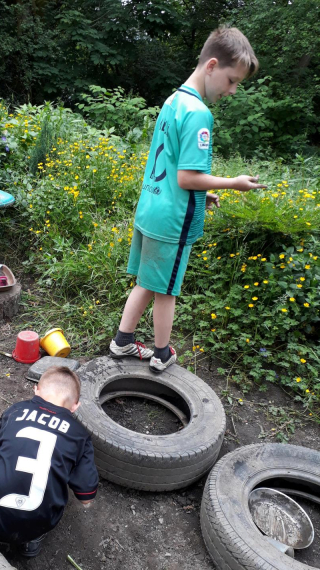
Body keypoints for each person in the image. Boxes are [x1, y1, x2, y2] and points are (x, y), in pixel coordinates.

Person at [109, 26, 267, 372]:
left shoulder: (173, 101)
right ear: (212, 65)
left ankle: (122, 341)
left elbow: (171, 167)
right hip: (172, 221)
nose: (233, 90)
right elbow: (186, 177)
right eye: (232, 80)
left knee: (148, 281)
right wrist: (232, 183)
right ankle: (162, 353)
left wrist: (202, 194)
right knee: (166, 289)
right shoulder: (199, 113)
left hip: (152, 208)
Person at [0, 366, 98, 557]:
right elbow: (86, 496)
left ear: (36, 390)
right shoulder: (80, 435)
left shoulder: (17, 410)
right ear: (75, 406)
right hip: (39, 526)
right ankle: (30, 540)